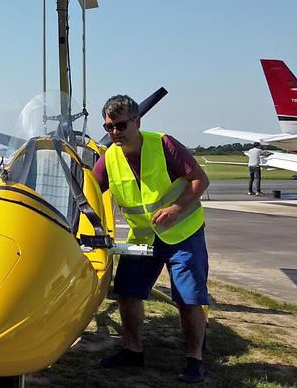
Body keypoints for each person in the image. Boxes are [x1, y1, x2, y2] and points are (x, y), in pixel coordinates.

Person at [93, 95, 210, 383]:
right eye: (109, 128)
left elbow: (200, 180)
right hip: (144, 237)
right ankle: (133, 351)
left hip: (182, 232)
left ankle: (195, 359)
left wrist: (176, 208)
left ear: (137, 121)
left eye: (120, 126)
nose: (115, 133)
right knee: (127, 292)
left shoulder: (164, 144)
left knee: (189, 298)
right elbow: (89, 189)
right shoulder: (110, 157)